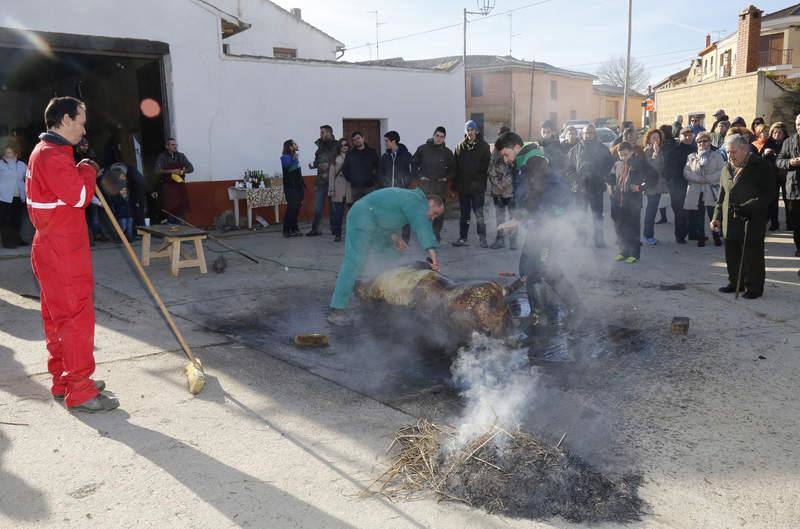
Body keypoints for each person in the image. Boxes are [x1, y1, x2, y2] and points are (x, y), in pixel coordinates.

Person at [26, 96, 118, 412]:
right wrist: (87, 169)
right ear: (65, 120)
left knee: (57, 318)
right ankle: (80, 390)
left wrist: (77, 165)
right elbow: (79, 196)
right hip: (63, 252)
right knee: (76, 319)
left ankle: (64, 380)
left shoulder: (47, 153)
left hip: (52, 246)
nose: (83, 127)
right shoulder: (53, 156)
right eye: (80, 120)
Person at [494, 131, 581, 324]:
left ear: (516, 147)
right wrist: (520, 218)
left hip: (549, 219)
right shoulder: (523, 162)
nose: (506, 160)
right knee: (530, 267)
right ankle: (541, 311)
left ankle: (565, 307)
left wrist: (518, 219)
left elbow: (536, 191)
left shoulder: (534, 160)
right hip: (539, 221)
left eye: (506, 154)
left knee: (540, 267)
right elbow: (526, 196)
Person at [327, 187, 444, 325]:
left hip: (376, 222)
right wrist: (434, 257)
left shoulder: (412, 201)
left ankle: (371, 289)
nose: (434, 217)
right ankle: (337, 309)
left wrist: (395, 238)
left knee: (393, 251)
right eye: (435, 213)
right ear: (429, 203)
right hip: (362, 216)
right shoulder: (417, 201)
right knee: (354, 261)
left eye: (437, 216)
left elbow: (387, 217)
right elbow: (423, 228)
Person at [711, 134, 776, 299]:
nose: (730, 155)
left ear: (745, 149)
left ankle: (754, 287)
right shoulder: (726, 168)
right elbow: (722, 195)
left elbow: (768, 194)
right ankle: (735, 282)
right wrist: (717, 216)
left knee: (752, 254)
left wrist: (747, 207)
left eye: (733, 152)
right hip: (729, 218)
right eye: (728, 152)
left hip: (751, 219)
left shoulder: (761, 166)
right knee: (731, 253)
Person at [565, 124, 615, 247]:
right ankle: (581, 239)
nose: (588, 135)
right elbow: (568, 168)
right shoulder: (575, 150)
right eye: (586, 133)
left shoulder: (602, 149)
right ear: (582, 134)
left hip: (596, 188)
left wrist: (602, 176)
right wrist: (575, 179)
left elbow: (609, 165)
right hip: (581, 188)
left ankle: (599, 240)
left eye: (591, 133)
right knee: (580, 215)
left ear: (594, 134)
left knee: (597, 216)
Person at [607, 142, 657, 263]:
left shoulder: (640, 163)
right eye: (621, 155)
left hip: (633, 202)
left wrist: (641, 187)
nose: (623, 157)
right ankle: (623, 252)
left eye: (625, 154)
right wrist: (611, 186)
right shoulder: (617, 164)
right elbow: (611, 177)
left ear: (631, 152)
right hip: (619, 201)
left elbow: (654, 177)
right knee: (620, 227)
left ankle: (634, 254)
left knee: (633, 228)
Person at [452, 120, 491, 247]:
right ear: (465, 131)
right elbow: (455, 168)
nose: (470, 132)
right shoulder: (459, 147)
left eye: (472, 129)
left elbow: (486, 167)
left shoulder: (484, 147)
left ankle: (482, 238)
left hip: (477, 188)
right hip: (463, 187)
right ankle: (463, 238)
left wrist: (478, 181)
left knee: (479, 213)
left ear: (476, 130)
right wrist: (455, 185)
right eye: (468, 130)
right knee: (464, 214)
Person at [413, 126, 455, 243]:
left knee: (438, 214)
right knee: (424, 213)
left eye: (442, 137)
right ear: (433, 135)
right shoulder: (423, 149)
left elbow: (453, 170)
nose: (439, 138)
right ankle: (424, 235)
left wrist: (446, 178)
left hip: (439, 189)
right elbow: (414, 164)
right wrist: (420, 176)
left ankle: (436, 235)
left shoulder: (447, 153)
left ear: (444, 138)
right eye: (437, 136)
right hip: (425, 188)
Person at [684, 132, 725, 247]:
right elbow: (686, 172)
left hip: (711, 191)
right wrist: (698, 179)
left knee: (714, 215)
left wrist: (708, 178)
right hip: (696, 191)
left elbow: (722, 170)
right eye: (699, 141)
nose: (702, 143)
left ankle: (716, 236)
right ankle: (701, 237)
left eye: (705, 141)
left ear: (709, 142)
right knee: (698, 216)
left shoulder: (716, 155)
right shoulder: (691, 156)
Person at [664, 127, 695, 244]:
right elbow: (667, 169)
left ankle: (691, 233)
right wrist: (671, 184)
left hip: (692, 185)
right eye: (685, 135)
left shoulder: (695, 149)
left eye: (690, 135)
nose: (688, 137)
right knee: (680, 212)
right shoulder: (674, 150)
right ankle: (680, 236)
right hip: (677, 186)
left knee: (691, 211)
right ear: (680, 136)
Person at [775, 113, 800, 256]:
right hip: (794, 187)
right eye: (798, 125)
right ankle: (799, 247)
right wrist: (790, 162)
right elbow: (779, 161)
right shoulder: (788, 142)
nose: (799, 127)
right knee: (796, 221)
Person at [487, 126, 516, 250]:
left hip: (510, 191)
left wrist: (505, 184)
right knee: (500, 217)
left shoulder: (514, 150)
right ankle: (500, 240)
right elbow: (491, 169)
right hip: (497, 192)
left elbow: (515, 171)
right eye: (500, 135)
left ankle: (513, 241)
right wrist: (497, 184)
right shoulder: (495, 151)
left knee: (512, 217)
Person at [307, 125, 338, 236]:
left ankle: (335, 230)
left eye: (322, 132)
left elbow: (341, 161)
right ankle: (316, 229)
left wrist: (328, 166)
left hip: (333, 182)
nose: (320, 135)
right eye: (320, 133)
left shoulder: (337, 146)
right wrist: (313, 165)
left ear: (329, 133)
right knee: (318, 208)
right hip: (320, 182)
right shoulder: (319, 147)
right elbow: (317, 161)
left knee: (333, 208)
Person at [154, 137, 193, 221]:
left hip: (180, 187)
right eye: (172, 145)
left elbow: (191, 168)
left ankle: (182, 230)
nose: (175, 147)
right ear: (167, 146)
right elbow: (157, 171)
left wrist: (182, 171)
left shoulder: (181, 156)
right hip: (168, 188)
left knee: (181, 210)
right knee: (170, 211)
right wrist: (172, 171)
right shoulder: (162, 157)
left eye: (176, 145)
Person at [642, 129, 669, 245]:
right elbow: (653, 168)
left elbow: (663, 167)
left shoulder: (661, 150)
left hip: (659, 185)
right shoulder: (647, 151)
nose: (656, 140)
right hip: (651, 185)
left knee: (653, 210)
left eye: (657, 138)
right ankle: (648, 235)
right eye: (653, 138)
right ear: (648, 139)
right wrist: (656, 153)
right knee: (651, 211)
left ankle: (648, 235)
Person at [0, 144, 28, 249]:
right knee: (5, 220)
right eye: (6, 152)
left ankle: (17, 239)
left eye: (10, 152)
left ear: (16, 153)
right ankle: (7, 242)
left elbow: (29, 177)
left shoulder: (22, 165)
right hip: (3, 197)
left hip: (18, 196)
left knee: (17, 220)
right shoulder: (0, 164)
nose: (8, 155)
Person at [342, 131, 379, 202]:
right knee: (358, 209)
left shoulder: (372, 152)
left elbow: (378, 167)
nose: (356, 141)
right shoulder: (350, 154)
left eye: (358, 138)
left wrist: (373, 179)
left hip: (369, 187)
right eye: (354, 140)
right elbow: (345, 169)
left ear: (363, 138)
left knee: (370, 208)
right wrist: (352, 179)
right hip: (355, 188)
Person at [764, 122, 787, 231]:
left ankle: (791, 223)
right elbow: (762, 159)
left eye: (779, 133)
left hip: (785, 174)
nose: (776, 135)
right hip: (772, 175)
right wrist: (765, 153)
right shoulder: (768, 143)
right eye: (774, 132)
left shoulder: (788, 142)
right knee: (773, 200)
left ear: (783, 134)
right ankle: (774, 222)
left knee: (788, 200)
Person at [329, 138, 352, 242]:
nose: (344, 147)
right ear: (339, 147)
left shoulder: (353, 157)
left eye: (346, 144)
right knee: (338, 213)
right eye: (342, 145)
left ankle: (352, 233)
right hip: (338, 188)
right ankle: (337, 234)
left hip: (350, 187)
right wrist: (331, 189)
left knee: (352, 213)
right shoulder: (335, 159)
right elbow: (331, 175)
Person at [280, 139, 304, 238]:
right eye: (294, 144)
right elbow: (287, 166)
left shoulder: (295, 157)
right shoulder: (285, 157)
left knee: (297, 208)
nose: (297, 145)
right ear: (289, 147)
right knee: (292, 208)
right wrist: (294, 158)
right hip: (290, 187)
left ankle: (294, 228)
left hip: (298, 186)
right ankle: (286, 230)